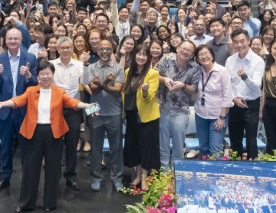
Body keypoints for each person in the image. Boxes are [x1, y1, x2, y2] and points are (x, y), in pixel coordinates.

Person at [0, 60, 96, 213]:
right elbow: (18, 100)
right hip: (34, 133)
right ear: (38, 76)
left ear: (53, 75)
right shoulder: (31, 90)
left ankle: (50, 203)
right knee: (30, 168)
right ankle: (26, 203)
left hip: (53, 133)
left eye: (48, 74)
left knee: (53, 169)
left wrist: (87, 106)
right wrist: (2, 104)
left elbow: (72, 102)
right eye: (42, 74)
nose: (45, 77)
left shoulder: (59, 92)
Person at [0, 27, 39, 193]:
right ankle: (5, 177)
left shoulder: (30, 58)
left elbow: (34, 85)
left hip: (23, 109)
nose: (12, 41)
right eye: (10, 38)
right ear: (5, 40)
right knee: (5, 145)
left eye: (16, 39)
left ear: (21, 40)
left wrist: (28, 77)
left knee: (26, 145)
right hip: (5, 109)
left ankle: (28, 177)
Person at [84, 38, 125, 191]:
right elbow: (93, 90)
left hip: (114, 112)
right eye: (101, 49)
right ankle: (96, 178)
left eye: (108, 48)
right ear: (97, 50)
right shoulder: (91, 67)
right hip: (94, 111)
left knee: (116, 148)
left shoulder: (119, 68)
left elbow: (117, 91)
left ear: (112, 50)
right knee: (96, 148)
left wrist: (101, 84)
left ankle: (117, 178)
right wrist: (106, 83)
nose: (105, 51)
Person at [157, 39, 201, 167]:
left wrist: (183, 86)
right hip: (163, 107)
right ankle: (164, 171)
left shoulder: (195, 67)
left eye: (189, 51)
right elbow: (153, 75)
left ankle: (177, 169)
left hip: (181, 109)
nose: (185, 52)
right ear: (177, 48)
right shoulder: (166, 59)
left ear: (192, 55)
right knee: (163, 141)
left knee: (178, 142)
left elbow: (194, 89)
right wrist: (164, 79)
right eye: (183, 48)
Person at [50, 37, 85, 189]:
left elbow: (86, 85)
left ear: (72, 49)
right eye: (62, 48)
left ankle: (70, 175)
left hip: (74, 110)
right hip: (55, 110)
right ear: (57, 49)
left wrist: (90, 108)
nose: (65, 50)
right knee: (54, 144)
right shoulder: (50, 65)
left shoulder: (80, 65)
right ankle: (54, 175)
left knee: (72, 144)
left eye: (68, 47)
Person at [225, 30, 264, 159]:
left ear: (248, 41)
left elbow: (257, 86)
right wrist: (234, 98)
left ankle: (253, 167)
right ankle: (235, 168)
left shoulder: (258, 61)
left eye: (242, 41)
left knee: (251, 140)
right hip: (235, 103)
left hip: (251, 104)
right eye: (236, 42)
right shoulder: (230, 60)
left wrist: (245, 77)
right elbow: (227, 84)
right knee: (234, 138)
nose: (239, 45)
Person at [126, 46, 161, 187]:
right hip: (131, 115)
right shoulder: (128, 72)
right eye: (138, 54)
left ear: (148, 58)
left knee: (146, 147)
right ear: (134, 56)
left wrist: (145, 91)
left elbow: (149, 97)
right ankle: (138, 174)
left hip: (147, 117)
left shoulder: (152, 74)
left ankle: (145, 177)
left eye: (144, 55)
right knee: (134, 146)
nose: (141, 57)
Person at [193, 44, 232, 157]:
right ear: (197, 58)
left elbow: (227, 95)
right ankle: (203, 173)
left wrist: (222, 117)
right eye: (200, 55)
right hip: (201, 114)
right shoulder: (197, 71)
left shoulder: (222, 71)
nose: (204, 56)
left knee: (215, 149)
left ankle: (215, 174)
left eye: (206, 53)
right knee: (203, 147)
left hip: (218, 116)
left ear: (212, 55)